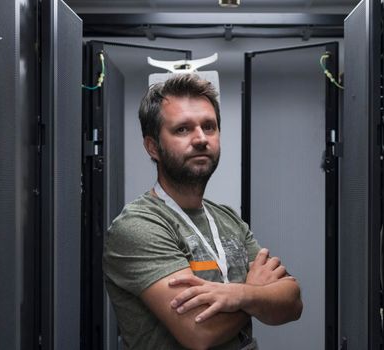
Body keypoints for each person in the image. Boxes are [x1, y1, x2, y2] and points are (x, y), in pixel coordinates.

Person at [103, 74, 303, 350]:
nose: (200, 139)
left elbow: (292, 302)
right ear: (153, 147)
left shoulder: (228, 219)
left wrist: (240, 295)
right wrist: (257, 295)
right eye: (182, 129)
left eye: (209, 127)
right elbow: (199, 333)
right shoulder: (139, 225)